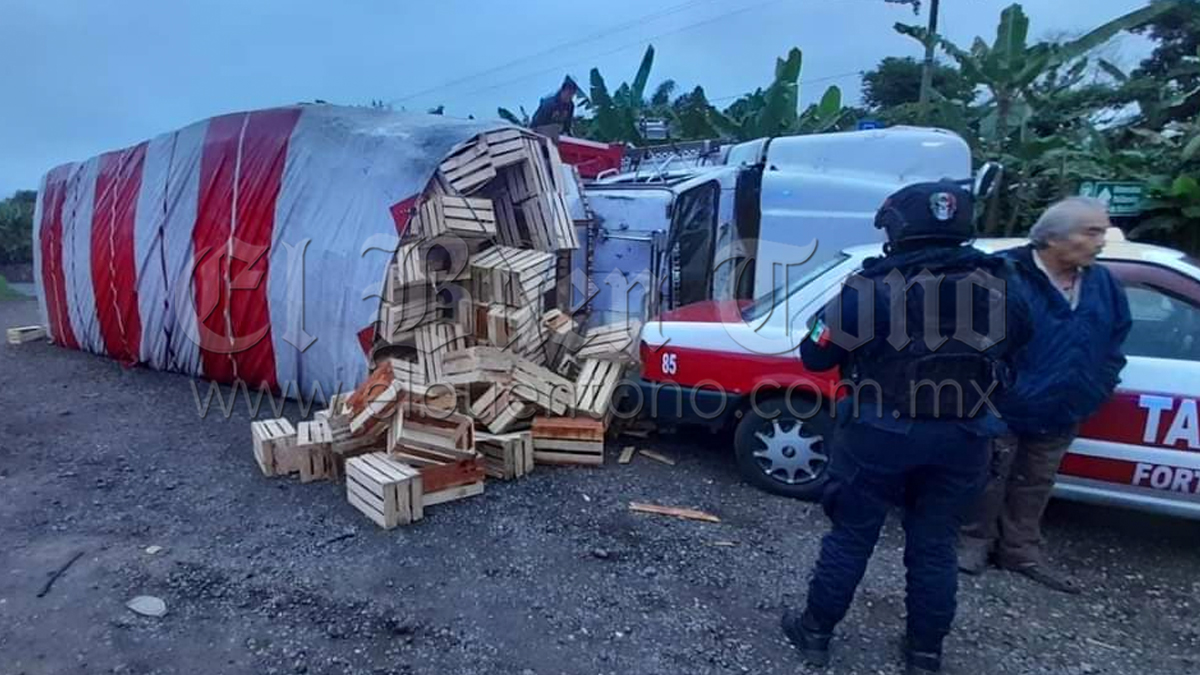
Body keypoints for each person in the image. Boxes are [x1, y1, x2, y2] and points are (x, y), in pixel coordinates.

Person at [782, 181, 1032, 675]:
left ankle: (815, 633)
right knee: (935, 544)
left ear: (897, 229)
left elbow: (815, 355)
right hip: (964, 435)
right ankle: (923, 654)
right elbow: (1023, 345)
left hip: (879, 433)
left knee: (852, 535)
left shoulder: (871, 287)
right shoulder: (1003, 282)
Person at [958, 197, 1131, 593]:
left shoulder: (1102, 283)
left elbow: (1115, 340)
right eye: (1092, 232)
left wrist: (1096, 388)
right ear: (1053, 238)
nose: (1101, 241)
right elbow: (966, 342)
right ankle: (972, 543)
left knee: (1036, 481)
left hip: (1063, 407)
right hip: (1001, 406)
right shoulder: (1001, 273)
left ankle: (1020, 550)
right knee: (987, 477)